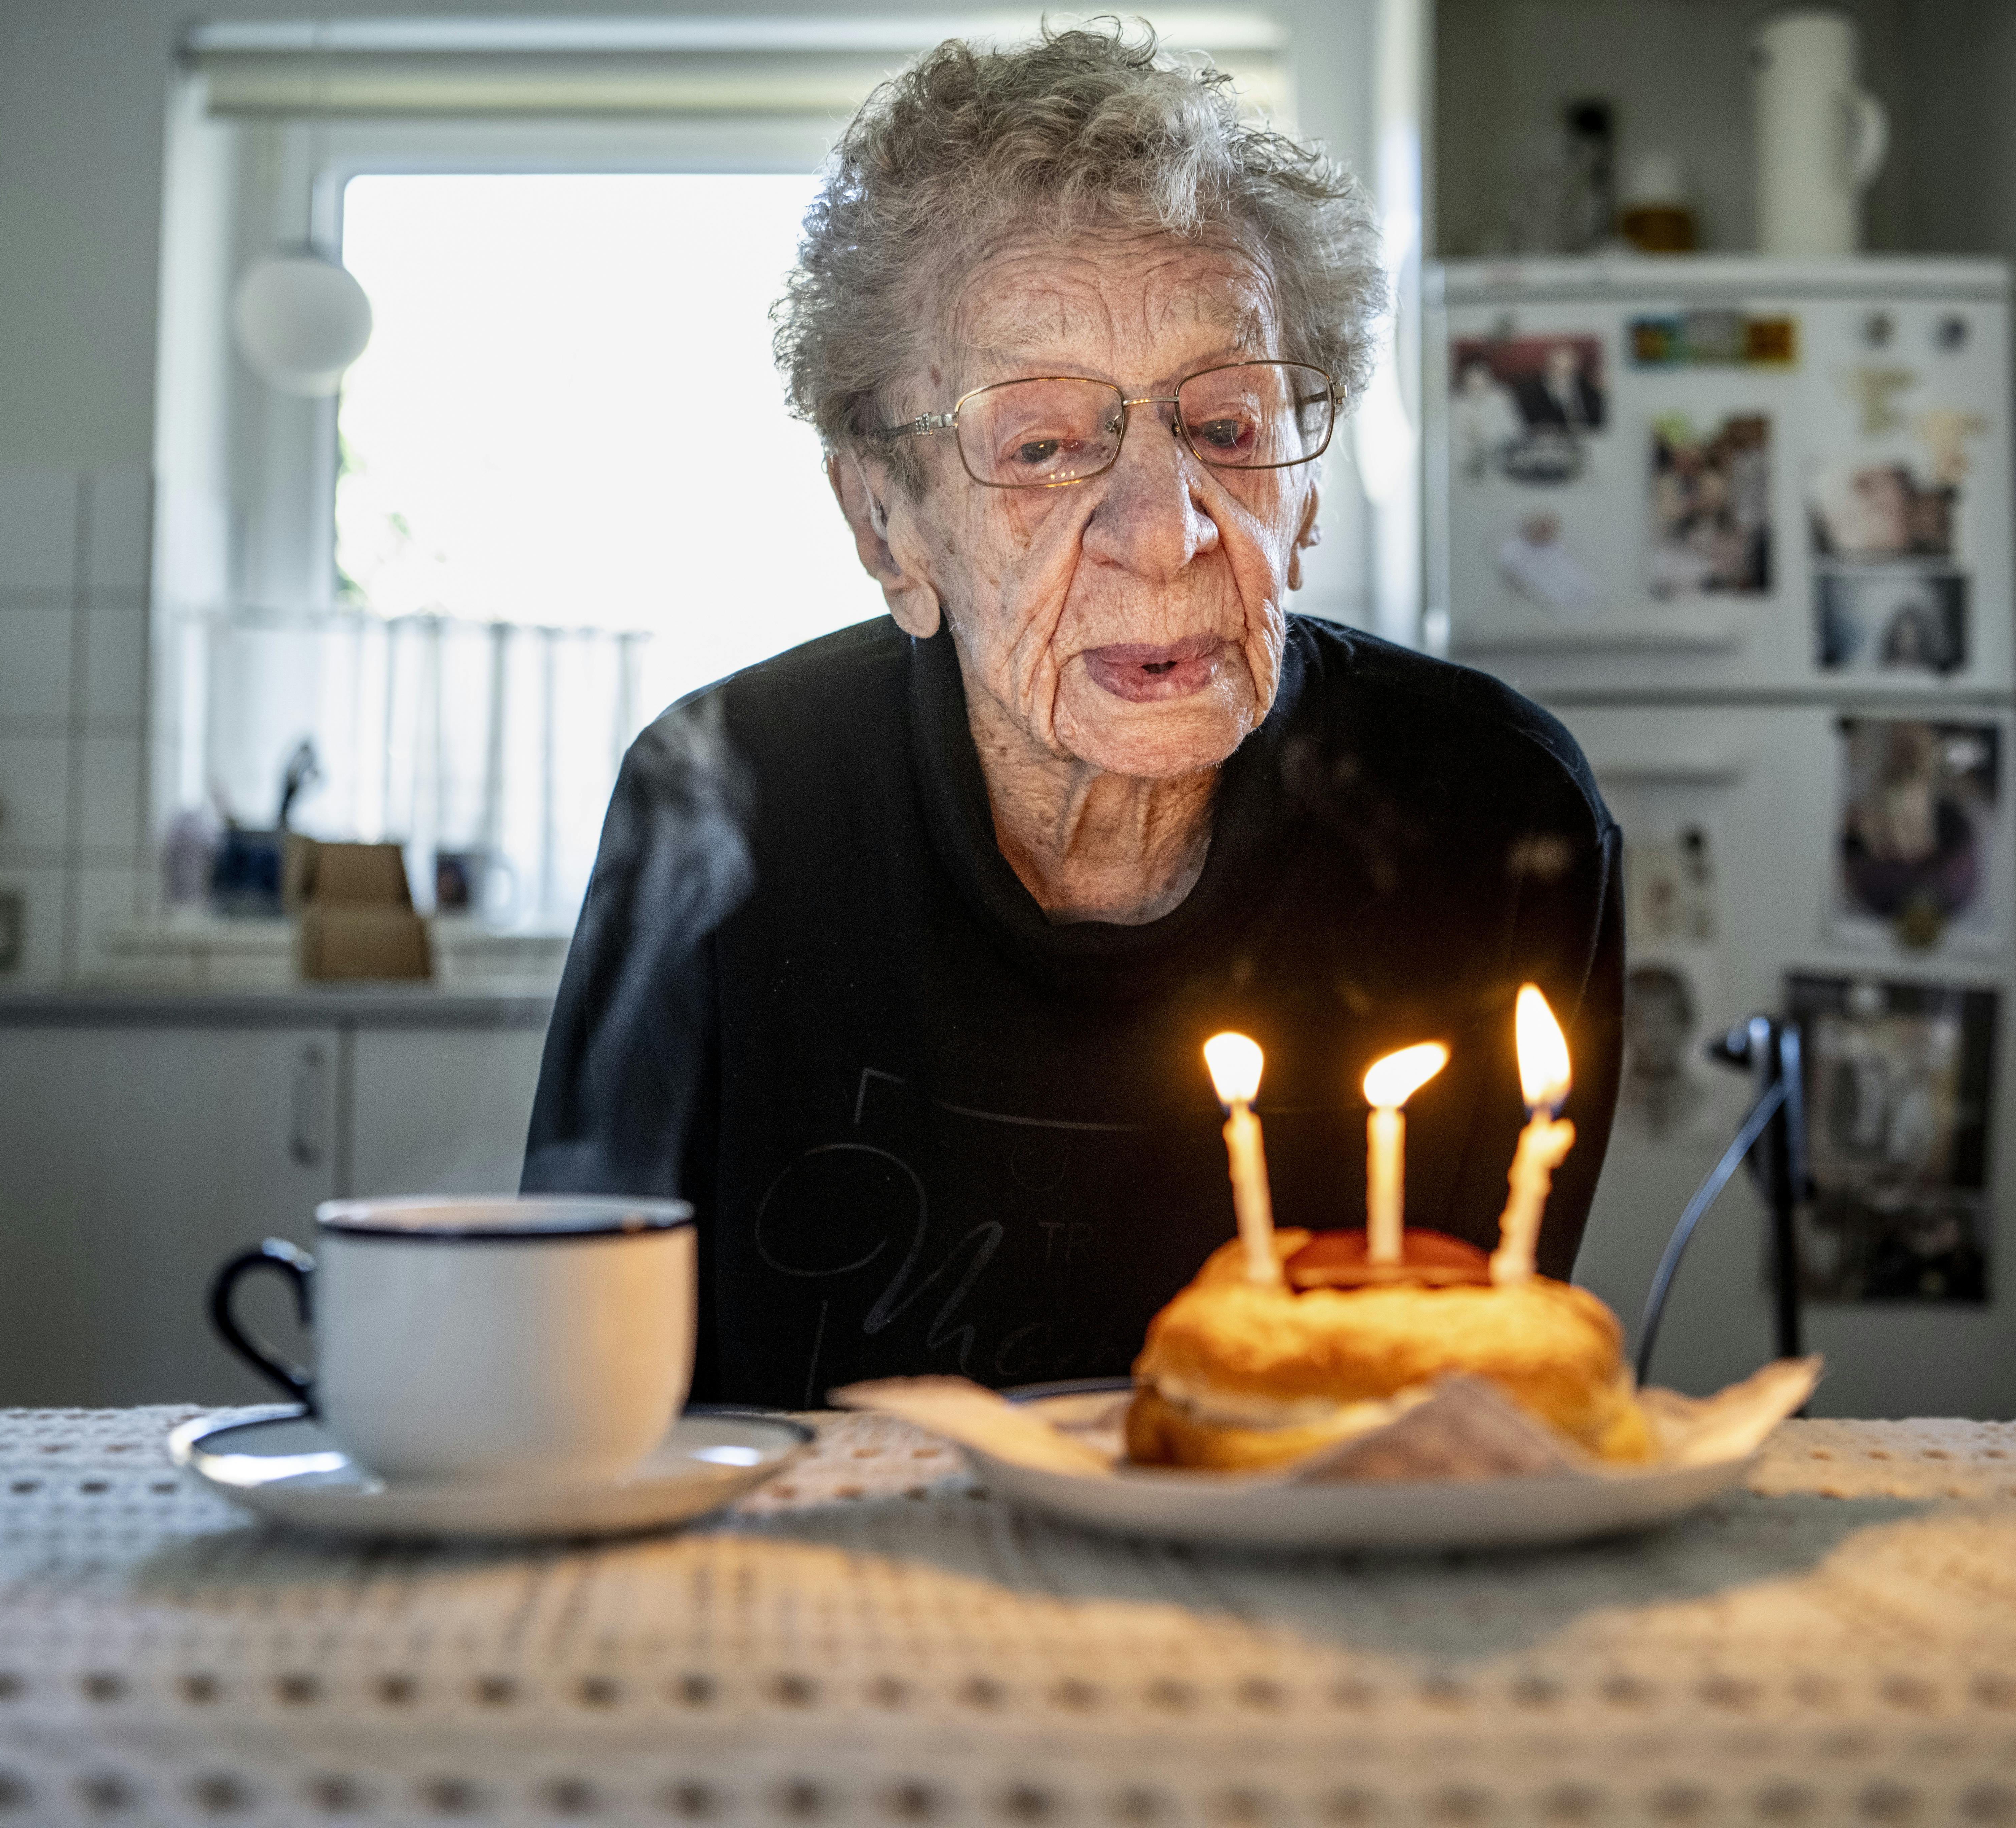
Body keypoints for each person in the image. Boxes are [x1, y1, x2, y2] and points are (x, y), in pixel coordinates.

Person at [524, 23, 1627, 1406]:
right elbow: (565, 1377)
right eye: (1042, 445)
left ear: (1305, 498)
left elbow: (1478, 1414)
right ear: (885, 525)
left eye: (1227, 429)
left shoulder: (1491, 815)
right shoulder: (733, 794)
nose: (1165, 533)